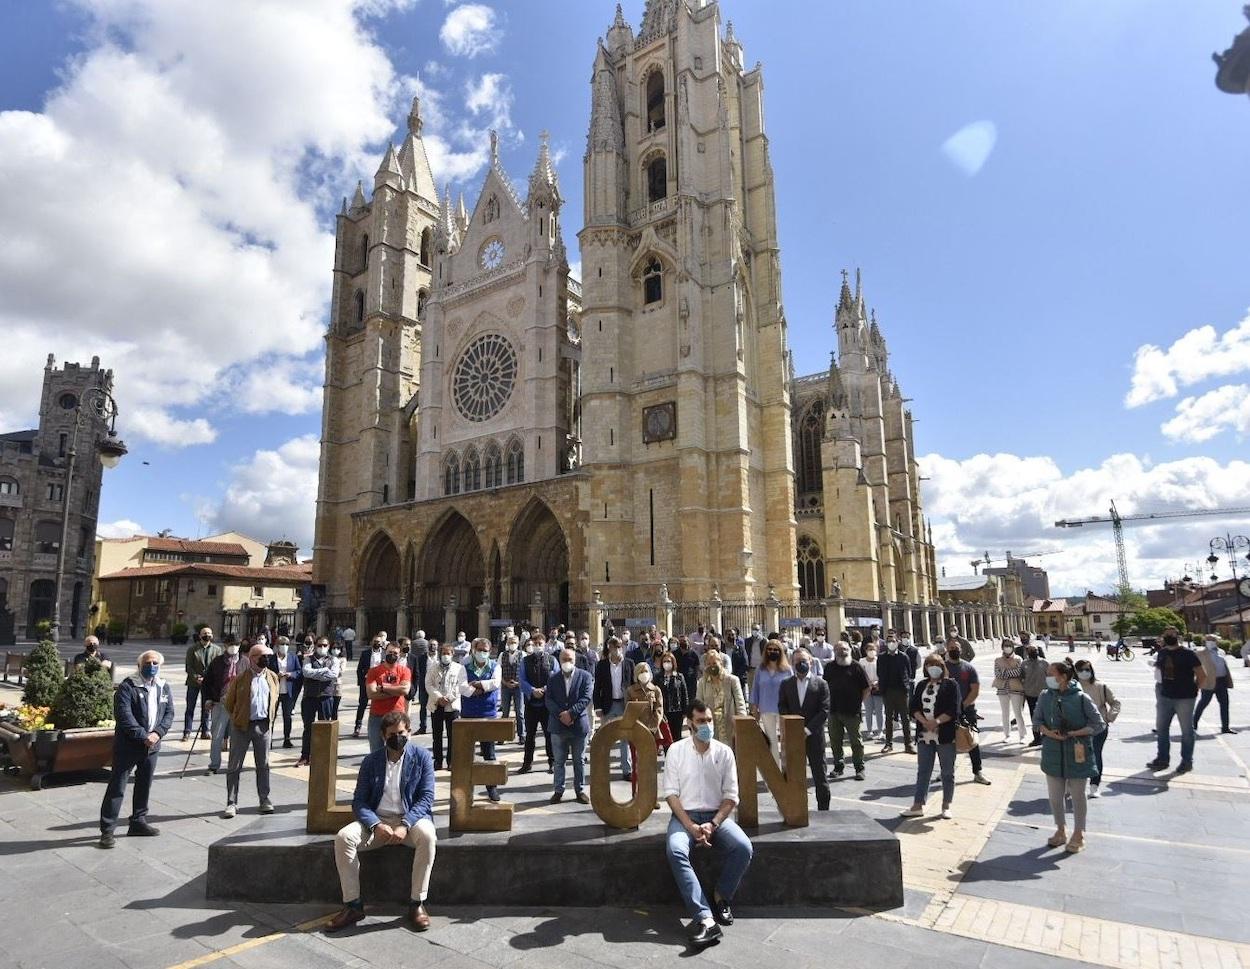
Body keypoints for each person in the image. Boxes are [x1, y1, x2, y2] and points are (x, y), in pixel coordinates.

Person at [326, 711, 437, 933]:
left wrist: (405, 824)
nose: (398, 737)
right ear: (383, 736)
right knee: (343, 837)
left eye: (402, 733)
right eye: (392, 734)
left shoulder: (422, 757)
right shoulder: (371, 761)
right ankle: (353, 905)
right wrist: (376, 824)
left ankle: (417, 903)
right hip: (378, 822)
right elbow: (359, 801)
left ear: (410, 732)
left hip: (411, 819)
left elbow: (426, 797)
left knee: (427, 836)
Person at [662, 699, 753, 949]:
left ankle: (722, 895)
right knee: (676, 850)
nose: (707, 725)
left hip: (717, 817)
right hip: (684, 817)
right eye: (701, 721)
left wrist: (713, 824)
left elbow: (731, 796)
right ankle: (705, 918)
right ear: (690, 723)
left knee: (743, 847)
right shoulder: (676, 751)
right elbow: (671, 794)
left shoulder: (724, 752)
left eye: (709, 720)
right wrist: (691, 826)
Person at [98, 650, 175, 848]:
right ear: (139, 665)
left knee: (144, 784)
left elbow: (168, 713)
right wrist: (143, 736)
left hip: (152, 745)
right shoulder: (127, 686)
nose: (152, 666)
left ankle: (138, 822)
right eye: (148, 663)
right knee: (117, 787)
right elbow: (124, 716)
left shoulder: (163, 686)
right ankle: (107, 830)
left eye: (155, 663)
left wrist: (157, 733)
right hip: (129, 745)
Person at [1034, 660, 1105, 853]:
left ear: (1063, 677)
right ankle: (1060, 829)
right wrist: (1048, 733)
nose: (1048, 677)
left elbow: (1099, 724)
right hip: (1052, 752)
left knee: (1078, 795)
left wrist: (1075, 733)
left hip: (1077, 752)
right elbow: (1037, 719)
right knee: (1055, 796)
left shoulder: (1081, 697)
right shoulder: (1045, 696)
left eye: (1051, 673)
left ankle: (1079, 833)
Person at [221, 643, 280, 818]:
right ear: (252, 658)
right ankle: (232, 802)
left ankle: (264, 799)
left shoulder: (273, 677)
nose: (266, 659)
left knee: (263, 765)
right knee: (234, 766)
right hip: (241, 726)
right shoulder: (240, 678)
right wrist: (238, 717)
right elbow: (229, 703)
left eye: (268, 656)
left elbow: (275, 701)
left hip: (263, 726)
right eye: (262, 656)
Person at [901, 654, 960, 820]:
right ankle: (917, 805)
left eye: (937, 665)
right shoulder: (921, 685)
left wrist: (937, 722)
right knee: (923, 770)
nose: (933, 668)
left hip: (944, 735)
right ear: (925, 667)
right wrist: (924, 722)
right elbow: (913, 707)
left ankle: (946, 805)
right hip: (924, 734)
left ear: (942, 667)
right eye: (929, 665)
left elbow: (953, 709)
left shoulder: (951, 685)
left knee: (947, 771)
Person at [1147, 628, 1207, 773]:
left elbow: (1202, 674)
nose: (1169, 636)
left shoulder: (1188, 654)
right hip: (1165, 696)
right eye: (1166, 634)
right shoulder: (1162, 653)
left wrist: (1195, 689)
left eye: (1172, 633)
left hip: (1185, 698)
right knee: (1161, 729)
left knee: (1186, 731)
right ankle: (1162, 759)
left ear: (1177, 636)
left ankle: (1186, 761)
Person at [778, 648, 831, 810]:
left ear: (810, 662)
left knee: (819, 775)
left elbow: (824, 711)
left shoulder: (821, 684)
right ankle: (795, 809)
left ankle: (824, 809)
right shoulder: (786, 684)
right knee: (793, 775)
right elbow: (782, 706)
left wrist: (807, 730)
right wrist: (793, 728)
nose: (800, 664)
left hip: (814, 737)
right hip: (793, 737)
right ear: (792, 664)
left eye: (804, 660)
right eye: (796, 661)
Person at [546, 646, 593, 803]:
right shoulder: (553, 678)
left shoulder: (585, 676)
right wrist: (562, 715)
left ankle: (580, 790)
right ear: (559, 661)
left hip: (578, 725)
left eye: (570, 659)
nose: (567, 662)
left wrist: (571, 714)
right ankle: (558, 790)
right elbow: (549, 700)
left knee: (579, 760)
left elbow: (586, 698)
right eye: (564, 659)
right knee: (559, 761)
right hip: (558, 726)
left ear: (575, 660)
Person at [943, 638, 992, 785]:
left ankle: (977, 772)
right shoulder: (943, 667)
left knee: (972, 741)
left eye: (956, 647)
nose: (954, 649)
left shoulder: (969, 668)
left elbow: (975, 690)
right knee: (947, 743)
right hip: (948, 711)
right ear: (946, 649)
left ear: (961, 649)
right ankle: (946, 771)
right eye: (951, 647)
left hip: (967, 710)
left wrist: (963, 705)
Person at [460, 638, 503, 802]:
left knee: (489, 754)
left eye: (485, 650)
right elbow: (462, 687)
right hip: (468, 713)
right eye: (479, 649)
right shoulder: (464, 665)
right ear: (473, 650)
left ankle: (491, 788)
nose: (482, 653)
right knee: (466, 755)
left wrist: (478, 684)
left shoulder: (494, 666)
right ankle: (464, 789)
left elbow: (495, 683)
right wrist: (478, 689)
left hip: (488, 713)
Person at [823, 641, 869, 781]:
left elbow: (866, 688)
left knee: (856, 742)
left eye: (845, 649)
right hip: (834, 711)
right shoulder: (829, 667)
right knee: (835, 741)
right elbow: (824, 686)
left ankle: (859, 768)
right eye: (839, 649)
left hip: (852, 712)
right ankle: (838, 766)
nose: (842, 651)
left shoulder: (856, 667)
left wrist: (858, 702)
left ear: (849, 650)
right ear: (835, 651)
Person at [1074, 659, 1119, 797]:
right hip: (1078, 728)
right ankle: (1076, 784)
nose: (1084, 672)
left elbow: (1115, 703)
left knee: (1095, 755)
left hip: (1098, 727)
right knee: (1079, 756)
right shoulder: (1072, 686)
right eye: (1081, 670)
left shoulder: (1101, 686)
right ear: (1076, 671)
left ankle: (1094, 785)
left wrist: (1109, 717)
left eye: (1087, 669)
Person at [594, 637, 636, 780]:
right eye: (614, 646)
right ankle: (603, 770)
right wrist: (597, 707)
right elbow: (597, 688)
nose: (617, 649)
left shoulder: (629, 664)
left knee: (625, 738)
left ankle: (627, 770)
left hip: (624, 705)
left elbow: (634, 685)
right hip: (608, 705)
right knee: (605, 738)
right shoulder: (602, 665)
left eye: (619, 646)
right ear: (609, 648)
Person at [203, 637, 245, 774]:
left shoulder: (245, 661)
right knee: (217, 735)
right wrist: (208, 699)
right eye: (231, 644)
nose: (234, 647)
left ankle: (234, 764)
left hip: (238, 706)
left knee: (236, 736)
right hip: (219, 703)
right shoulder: (217, 662)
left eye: (236, 644)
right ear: (225, 645)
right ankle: (214, 763)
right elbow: (207, 682)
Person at [626, 662, 666, 805]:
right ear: (636, 674)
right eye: (641, 671)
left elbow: (659, 710)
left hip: (652, 732)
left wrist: (653, 726)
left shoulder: (655, 690)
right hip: (635, 732)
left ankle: (652, 798)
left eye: (646, 670)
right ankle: (635, 796)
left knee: (650, 766)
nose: (644, 673)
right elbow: (628, 711)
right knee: (636, 766)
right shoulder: (630, 691)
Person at [296, 637, 341, 767]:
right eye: (320, 645)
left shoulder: (333, 660)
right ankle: (305, 755)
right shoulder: (308, 658)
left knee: (324, 727)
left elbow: (334, 674)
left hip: (326, 697)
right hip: (310, 697)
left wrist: (317, 674)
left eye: (325, 645)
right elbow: (306, 672)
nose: (322, 647)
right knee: (308, 727)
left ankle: (322, 755)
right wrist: (324, 672)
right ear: (315, 645)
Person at [749, 639, 792, 763]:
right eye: (769, 649)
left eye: (775, 650)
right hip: (766, 709)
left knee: (785, 739)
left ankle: (787, 769)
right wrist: (754, 707)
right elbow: (755, 689)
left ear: (780, 652)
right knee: (771, 740)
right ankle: (775, 772)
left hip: (783, 710)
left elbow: (791, 690)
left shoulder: (787, 670)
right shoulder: (760, 670)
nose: (772, 652)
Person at [426, 642, 466, 771]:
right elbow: (428, 684)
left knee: (452, 735)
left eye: (448, 654)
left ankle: (451, 761)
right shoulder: (433, 667)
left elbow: (460, 686)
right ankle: (438, 760)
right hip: (436, 704)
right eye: (443, 653)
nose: (445, 656)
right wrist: (438, 697)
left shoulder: (459, 668)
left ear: (452, 654)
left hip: (452, 705)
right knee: (436, 735)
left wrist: (448, 698)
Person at [519, 634, 556, 773]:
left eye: (540, 642)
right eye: (535, 643)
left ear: (545, 643)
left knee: (549, 735)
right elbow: (521, 679)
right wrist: (532, 690)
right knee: (530, 736)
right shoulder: (525, 661)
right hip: (531, 704)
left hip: (547, 705)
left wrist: (545, 689)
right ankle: (527, 763)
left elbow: (555, 678)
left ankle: (552, 762)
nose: (537, 645)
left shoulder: (552, 660)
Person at [365, 643, 411, 753]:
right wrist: (396, 691)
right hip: (377, 716)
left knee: (398, 749)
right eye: (390, 652)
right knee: (376, 751)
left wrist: (383, 688)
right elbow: (371, 693)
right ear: (385, 652)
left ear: (399, 654)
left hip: (397, 716)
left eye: (395, 653)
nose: (392, 655)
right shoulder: (374, 671)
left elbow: (405, 690)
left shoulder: (404, 671)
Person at [696, 649, 746, 747]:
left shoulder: (732, 680)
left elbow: (740, 703)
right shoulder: (702, 682)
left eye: (714, 663)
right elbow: (698, 704)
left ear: (721, 663)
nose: (712, 666)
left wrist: (741, 723)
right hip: (710, 727)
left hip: (729, 726)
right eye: (709, 663)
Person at [876, 634, 915, 753]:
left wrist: (906, 686)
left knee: (905, 718)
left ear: (897, 642)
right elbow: (879, 672)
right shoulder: (882, 657)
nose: (891, 643)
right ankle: (888, 743)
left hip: (902, 691)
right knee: (889, 718)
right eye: (889, 641)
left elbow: (908, 672)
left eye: (893, 641)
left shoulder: (903, 657)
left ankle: (908, 744)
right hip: (887, 691)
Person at [182, 628, 220, 742]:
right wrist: (196, 677)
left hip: (208, 684)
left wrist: (209, 678)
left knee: (206, 707)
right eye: (204, 634)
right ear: (199, 636)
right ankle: (187, 731)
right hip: (193, 683)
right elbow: (189, 666)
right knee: (190, 707)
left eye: (209, 634)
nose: (206, 635)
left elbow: (217, 666)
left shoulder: (217, 650)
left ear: (212, 636)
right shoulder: (192, 649)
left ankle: (205, 731)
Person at [1194, 635, 1235, 735]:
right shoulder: (1200, 653)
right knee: (1203, 703)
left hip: (1221, 681)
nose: (1211, 642)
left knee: (1224, 704)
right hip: (1209, 681)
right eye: (1208, 640)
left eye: (1213, 640)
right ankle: (1193, 724)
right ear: (1205, 641)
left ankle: (1225, 727)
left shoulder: (1221, 652)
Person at [993, 638, 1027, 744]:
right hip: (1002, 689)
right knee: (1005, 713)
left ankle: (1022, 735)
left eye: (1009, 645)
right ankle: (1007, 734)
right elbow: (997, 674)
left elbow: (1019, 672)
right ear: (1002, 647)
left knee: (1018, 713)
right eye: (1005, 645)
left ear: (1012, 647)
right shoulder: (997, 660)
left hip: (1016, 688)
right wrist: (1010, 672)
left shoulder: (1018, 659)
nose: (1007, 647)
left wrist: (1005, 672)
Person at [271, 636, 301, 748]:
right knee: (272, 716)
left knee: (287, 716)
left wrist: (291, 674)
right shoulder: (272, 658)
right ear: (277, 646)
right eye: (282, 644)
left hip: (288, 691)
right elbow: (267, 672)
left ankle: (287, 738)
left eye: (286, 644)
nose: (284, 647)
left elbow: (299, 671)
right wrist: (275, 675)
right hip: (275, 691)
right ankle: (269, 738)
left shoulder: (293, 657)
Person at [354, 636, 385, 739]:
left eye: (379, 642)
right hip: (367, 681)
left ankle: (382, 727)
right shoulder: (365, 653)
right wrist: (361, 682)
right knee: (362, 704)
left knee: (380, 704)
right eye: (375, 642)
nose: (377, 643)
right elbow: (359, 669)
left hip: (380, 683)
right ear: (372, 642)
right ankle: (357, 726)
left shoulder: (385, 653)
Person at [498, 634, 525, 745]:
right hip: (505, 686)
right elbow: (498, 671)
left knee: (520, 712)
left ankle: (521, 735)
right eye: (510, 642)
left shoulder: (522, 654)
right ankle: (503, 736)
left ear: (518, 643)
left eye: (514, 642)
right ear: (507, 643)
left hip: (518, 687)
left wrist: (518, 683)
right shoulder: (502, 655)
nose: (512, 644)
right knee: (505, 712)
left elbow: (525, 672)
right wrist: (505, 683)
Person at [658, 649, 689, 743]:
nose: (667, 663)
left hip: (677, 713)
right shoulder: (658, 677)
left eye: (669, 661)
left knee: (677, 739)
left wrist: (685, 711)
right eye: (664, 661)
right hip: (664, 713)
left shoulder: (679, 676)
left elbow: (684, 694)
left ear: (673, 663)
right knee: (667, 740)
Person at [1022, 642, 1048, 748]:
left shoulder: (1045, 663)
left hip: (1044, 694)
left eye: (1035, 650)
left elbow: (1051, 676)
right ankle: (1037, 738)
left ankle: (1046, 736)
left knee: (1046, 716)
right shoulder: (1024, 664)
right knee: (1034, 716)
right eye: (1031, 650)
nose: (1034, 652)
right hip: (1030, 694)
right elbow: (1021, 677)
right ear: (1028, 652)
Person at [406, 632, 430, 735]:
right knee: (424, 704)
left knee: (423, 705)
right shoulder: (426, 642)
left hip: (417, 665)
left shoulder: (414, 643)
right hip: (423, 675)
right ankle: (423, 726)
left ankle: (423, 726)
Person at [859, 641, 884, 740]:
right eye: (869, 649)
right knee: (868, 711)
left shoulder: (879, 660)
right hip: (866, 689)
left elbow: (883, 673)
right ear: (865, 651)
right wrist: (867, 684)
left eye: (873, 649)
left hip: (878, 688)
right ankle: (869, 730)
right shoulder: (862, 661)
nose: (871, 651)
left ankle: (880, 731)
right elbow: (860, 675)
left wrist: (877, 683)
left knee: (879, 711)